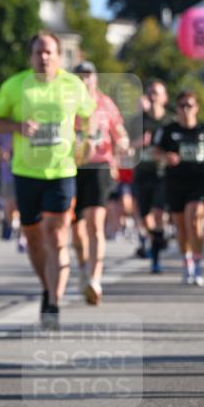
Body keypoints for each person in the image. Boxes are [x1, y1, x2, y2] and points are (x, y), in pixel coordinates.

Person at [0, 32, 96, 329]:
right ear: (31, 56)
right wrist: (16, 126)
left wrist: (88, 141)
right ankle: (47, 286)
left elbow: (90, 115)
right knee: (34, 238)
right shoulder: (14, 86)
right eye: (38, 52)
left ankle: (53, 302)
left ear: (59, 56)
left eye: (49, 52)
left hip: (62, 171)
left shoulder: (72, 85)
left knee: (56, 233)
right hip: (26, 173)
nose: (44, 57)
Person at [70, 61, 130, 305]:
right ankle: (84, 266)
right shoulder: (66, 103)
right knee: (76, 229)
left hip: (99, 165)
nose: (84, 80)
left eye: (88, 75)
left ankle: (95, 279)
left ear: (95, 79)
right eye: (80, 76)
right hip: (71, 167)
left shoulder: (105, 103)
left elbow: (120, 133)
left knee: (95, 223)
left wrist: (123, 144)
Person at [153, 90, 204, 287]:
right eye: (182, 106)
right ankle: (186, 260)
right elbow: (155, 151)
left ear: (196, 108)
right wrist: (166, 158)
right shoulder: (168, 130)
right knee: (181, 225)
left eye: (189, 105)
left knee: (195, 218)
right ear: (177, 108)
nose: (186, 110)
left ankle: (197, 264)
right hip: (175, 182)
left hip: (198, 182)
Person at [131, 81, 171, 273]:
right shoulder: (138, 121)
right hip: (141, 173)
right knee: (144, 218)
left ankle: (155, 259)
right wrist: (140, 142)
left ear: (165, 98)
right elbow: (125, 144)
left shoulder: (169, 122)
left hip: (162, 175)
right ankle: (159, 238)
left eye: (157, 92)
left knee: (157, 213)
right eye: (150, 92)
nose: (153, 96)